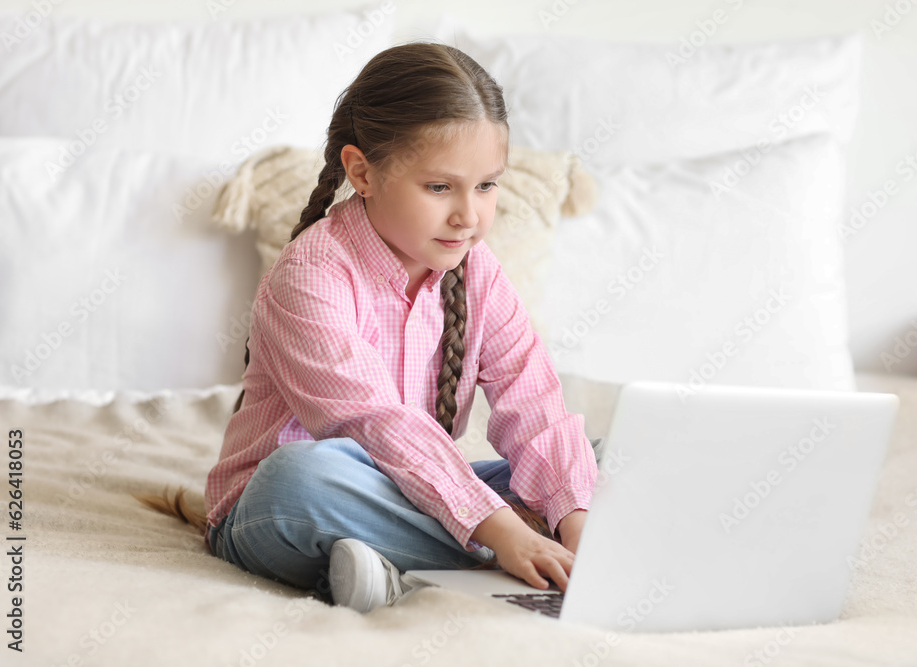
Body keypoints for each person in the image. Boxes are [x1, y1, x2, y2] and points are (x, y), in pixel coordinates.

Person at [137, 42, 598, 614]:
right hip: (286, 505)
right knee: (302, 476)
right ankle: (490, 562)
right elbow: (373, 423)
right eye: (439, 187)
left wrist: (575, 518)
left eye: (485, 186)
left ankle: (397, 570)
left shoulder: (477, 270)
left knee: (604, 460)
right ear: (363, 172)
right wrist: (503, 530)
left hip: (414, 495)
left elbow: (536, 409)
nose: (468, 215)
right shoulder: (309, 275)